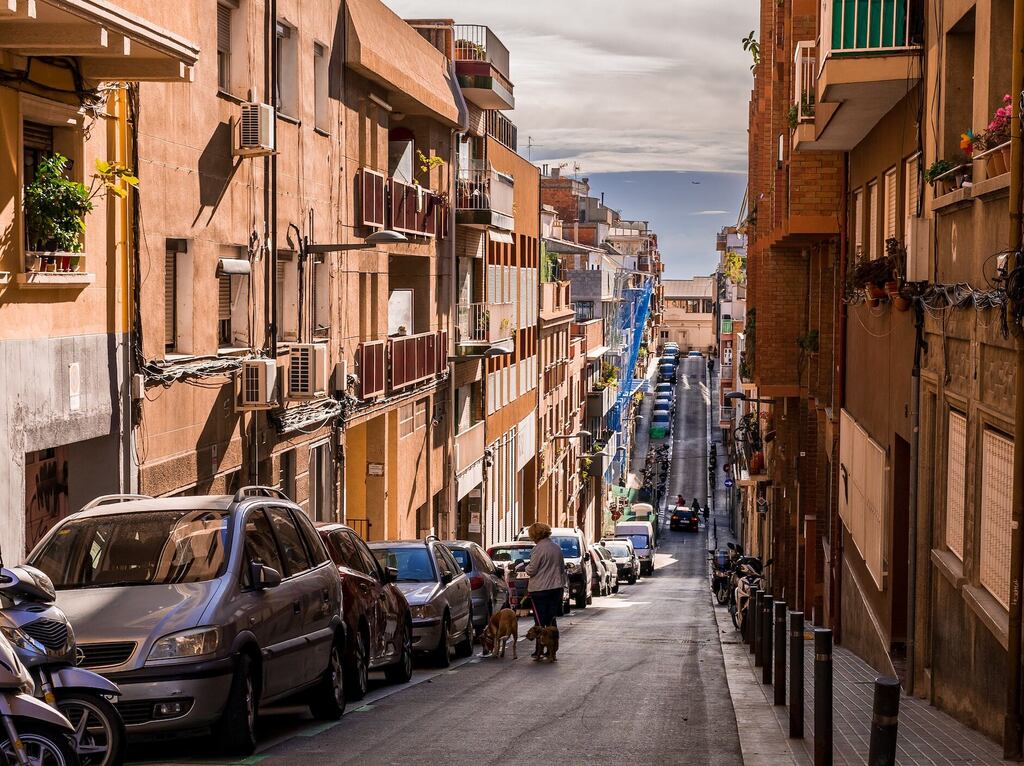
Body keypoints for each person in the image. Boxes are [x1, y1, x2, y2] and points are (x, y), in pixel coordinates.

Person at [525, 522, 566, 660]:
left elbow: (532, 570)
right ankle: (552, 649)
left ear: (534, 535)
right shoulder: (556, 548)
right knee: (551, 619)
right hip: (555, 588)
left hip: (539, 590)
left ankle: (539, 650)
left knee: (539, 621)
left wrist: (525, 568)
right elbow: (561, 568)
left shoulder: (538, 549)